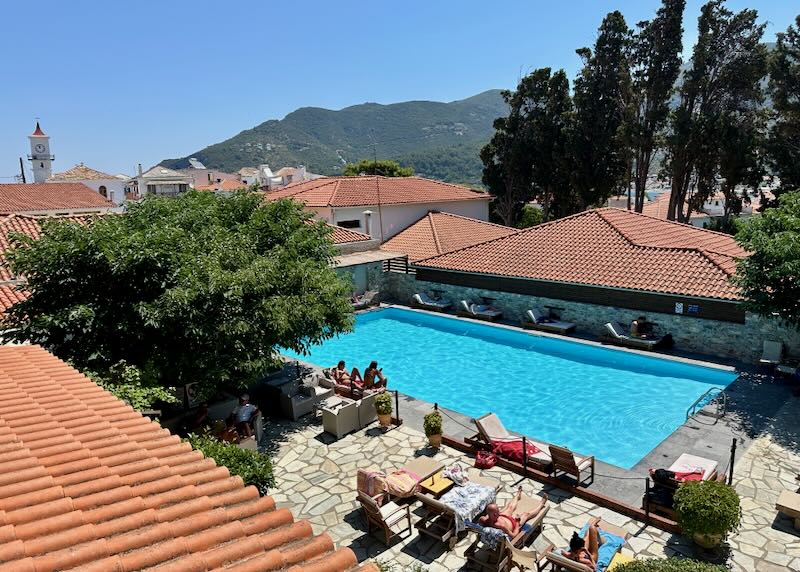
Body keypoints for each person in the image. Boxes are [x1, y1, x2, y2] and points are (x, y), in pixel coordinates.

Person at [478, 487, 548, 537]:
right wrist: (517, 522)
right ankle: (541, 504)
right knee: (526, 514)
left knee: (510, 507)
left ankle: (517, 496)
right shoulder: (501, 526)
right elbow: (514, 535)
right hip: (514, 523)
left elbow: (480, 526)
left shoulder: (483, 519)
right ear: (495, 514)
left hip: (503, 517)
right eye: (498, 511)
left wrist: (490, 516)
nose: (499, 512)